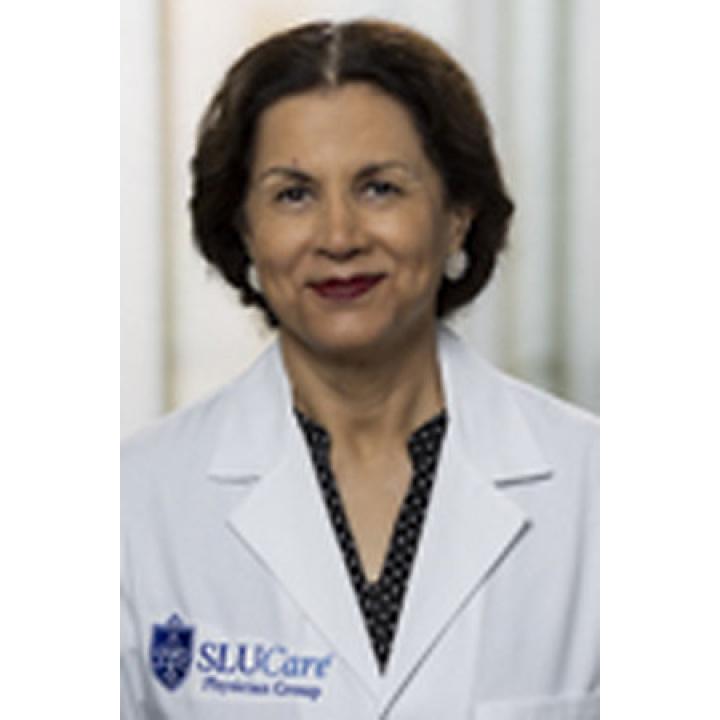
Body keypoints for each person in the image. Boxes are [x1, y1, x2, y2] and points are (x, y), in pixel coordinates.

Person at [121, 19, 598, 720]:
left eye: (379, 188)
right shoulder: (134, 501)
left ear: (457, 215)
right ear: (244, 229)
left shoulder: (599, 489)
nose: (339, 237)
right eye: (293, 194)